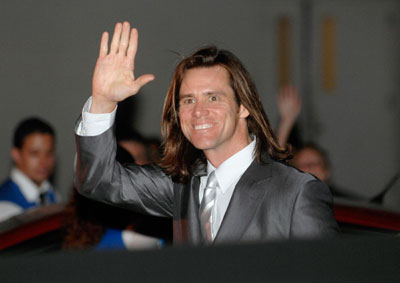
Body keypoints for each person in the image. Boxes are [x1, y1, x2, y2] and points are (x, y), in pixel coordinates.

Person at [75, 21, 338, 245]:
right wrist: (102, 102)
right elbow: (98, 181)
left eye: (213, 98)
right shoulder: (182, 186)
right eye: (188, 100)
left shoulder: (296, 192)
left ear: (244, 106)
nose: (199, 111)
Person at [0, 117, 57, 222]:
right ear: (16, 155)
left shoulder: (50, 194)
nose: (43, 162)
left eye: (49, 153)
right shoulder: (4, 207)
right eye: (34, 154)